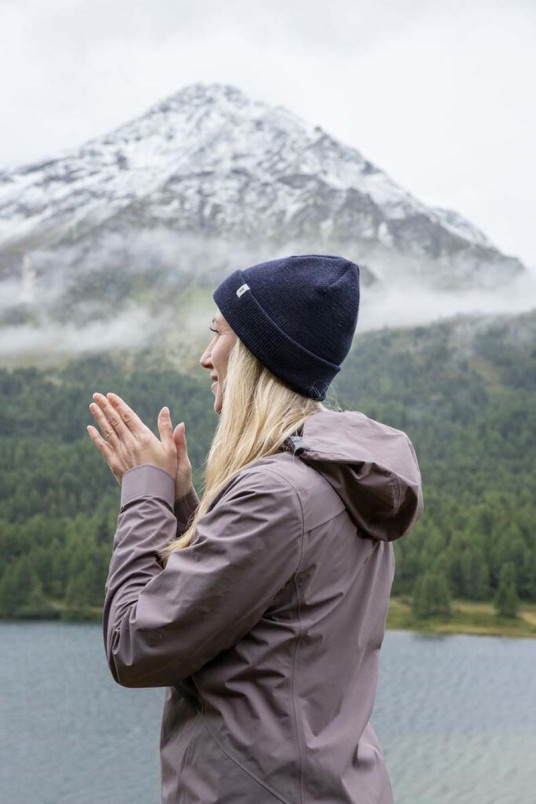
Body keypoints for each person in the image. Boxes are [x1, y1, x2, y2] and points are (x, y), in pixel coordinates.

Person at [88, 254, 424, 803]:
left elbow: (133, 646)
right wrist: (180, 503)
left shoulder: (279, 494)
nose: (205, 357)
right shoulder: (336, 481)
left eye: (217, 334)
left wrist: (144, 490)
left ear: (253, 353)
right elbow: (260, 606)